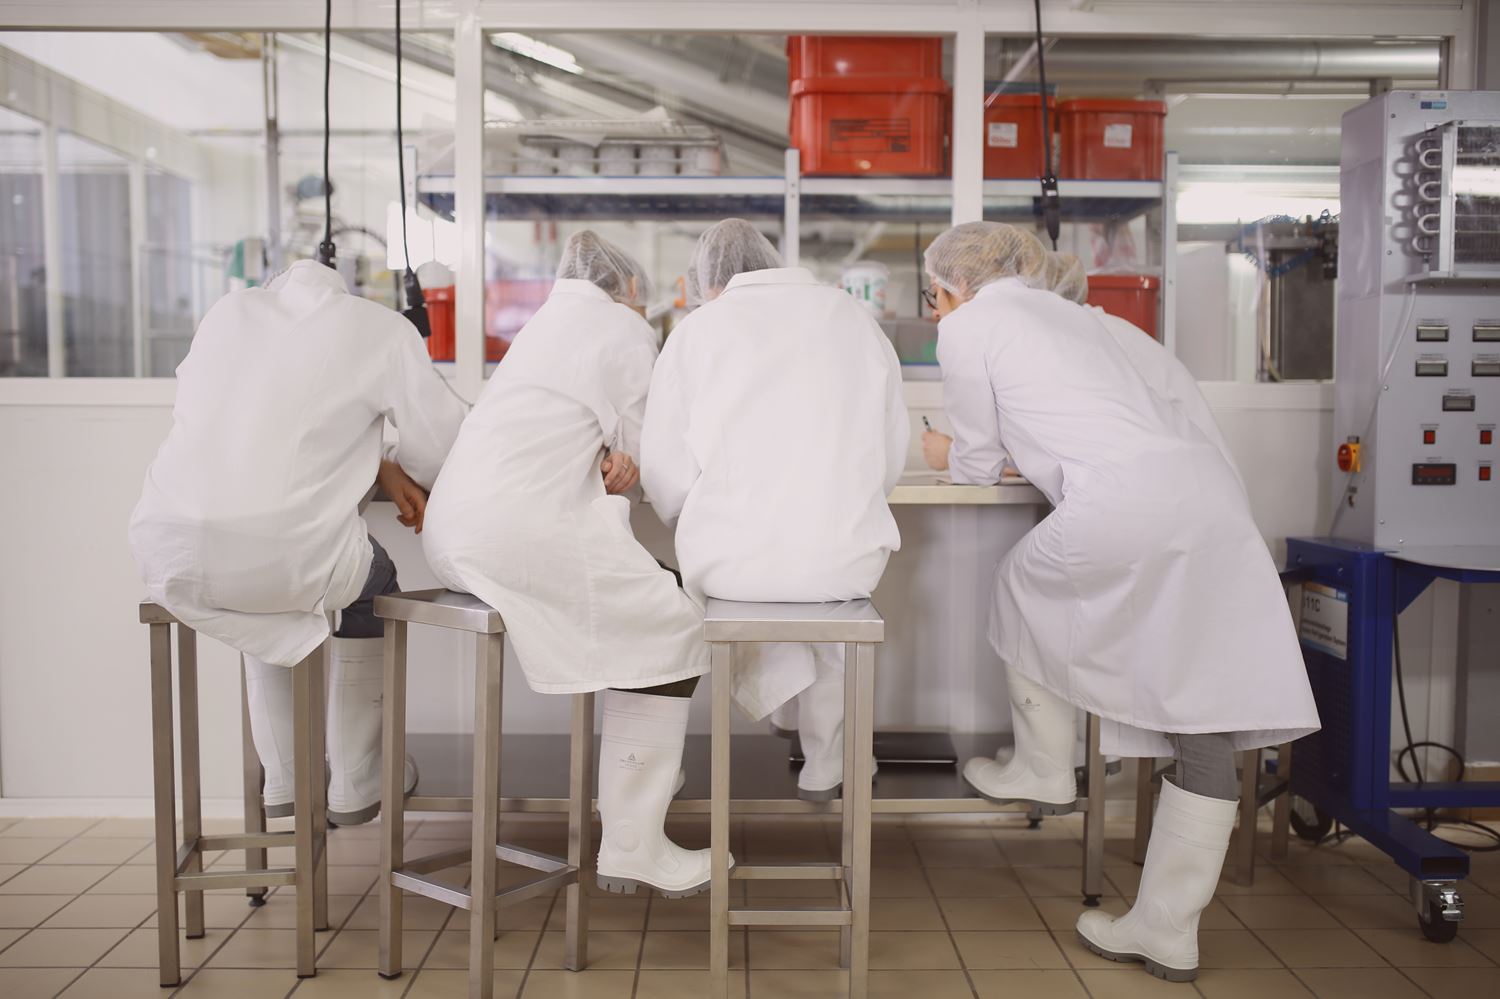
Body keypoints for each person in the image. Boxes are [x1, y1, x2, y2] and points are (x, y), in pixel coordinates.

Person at [919, 222, 1318, 983]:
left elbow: (971, 463)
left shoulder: (971, 323)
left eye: (936, 297)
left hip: (1128, 505)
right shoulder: (1078, 317)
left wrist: (948, 452)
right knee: (1202, 715)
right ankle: (1167, 928)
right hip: (1207, 501)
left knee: (1018, 585)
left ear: (949, 286)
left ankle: (1041, 765)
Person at [421, 231, 718, 899]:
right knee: (674, 623)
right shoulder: (622, 329)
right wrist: (634, 460)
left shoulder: (541, 327)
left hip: (455, 530)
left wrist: (615, 456)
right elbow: (656, 450)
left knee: (657, 592)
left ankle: (637, 791)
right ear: (632, 293)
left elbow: (586, 435)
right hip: (515, 532)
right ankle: (633, 841)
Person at [130, 258, 466, 825]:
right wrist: (394, 459)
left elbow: (250, 420)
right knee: (371, 583)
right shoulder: (379, 328)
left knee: (257, 590)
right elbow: (439, 442)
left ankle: (285, 775)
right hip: (276, 557)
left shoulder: (227, 313)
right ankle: (356, 777)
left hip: (166, 548)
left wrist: (379, 465)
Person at [640, 219, 909, 800]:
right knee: (828, 610)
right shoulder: (853, 318)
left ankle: (790, 724)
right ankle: (829, 761)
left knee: (749, 588)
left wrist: (711, 514)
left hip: (731, 564)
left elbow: (664, 473)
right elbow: (891, 452)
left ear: (710, 281)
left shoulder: (697, 330)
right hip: (847, 557)